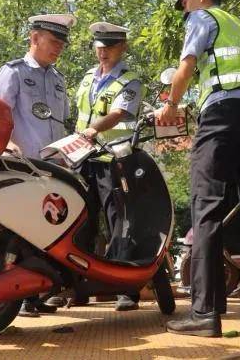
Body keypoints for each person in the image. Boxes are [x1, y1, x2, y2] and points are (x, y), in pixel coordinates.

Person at [155, 0, 240, 337]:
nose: (183, 9)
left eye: (183, 1)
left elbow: (187, 66)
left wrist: (170, 104)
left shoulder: (202, 18)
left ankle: (204, 313)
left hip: (222, 114)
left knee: (206, 208)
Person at [54, 22, 145, 311]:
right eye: (100, 47)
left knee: (121, 221)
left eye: (110, 47)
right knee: (81, 221)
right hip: (82, 160)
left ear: (123, 48)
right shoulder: (86, 78)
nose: (103, 52)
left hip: (114, 159)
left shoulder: (131, 80)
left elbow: (119, 114)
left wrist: (92, 131)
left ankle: (125, 289)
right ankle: (77, 288)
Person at [0, 13, 76, 317]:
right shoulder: (12, 72)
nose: (58, 49)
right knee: (23, 229)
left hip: (54, 168)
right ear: (35, 37)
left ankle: (41, 290)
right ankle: (23, 296)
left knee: (50, 229)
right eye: (53, 42)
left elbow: (61, 123)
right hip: (21, 165)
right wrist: (6, 144)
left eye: (61, 45)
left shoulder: (58, 80)